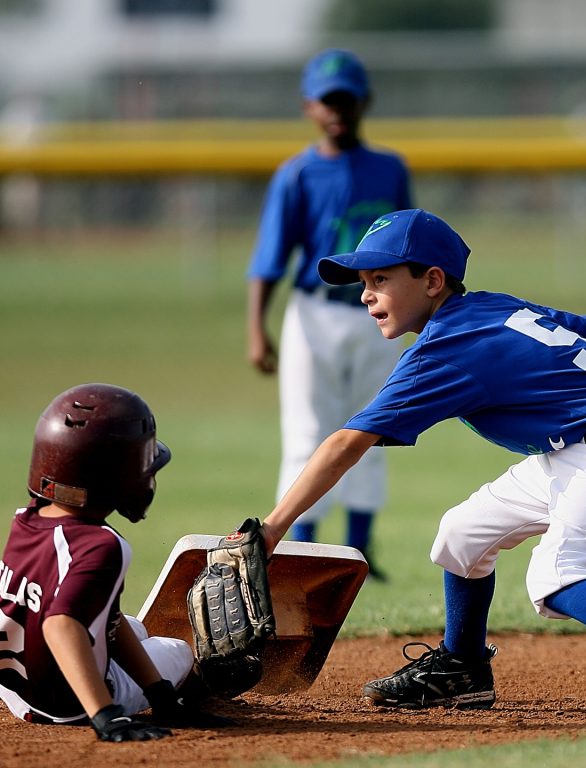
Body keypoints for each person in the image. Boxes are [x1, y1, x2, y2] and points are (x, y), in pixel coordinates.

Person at [256, 209, 586, 721]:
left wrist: (273, 527)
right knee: (461, 535)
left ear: (431, 281)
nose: (366, 295)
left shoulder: (444, 349)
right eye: (363, 282)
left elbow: (344, 444)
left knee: (555, 575)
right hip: (578, 446)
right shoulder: (492, 308)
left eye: (380, 278)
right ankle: (462, 667)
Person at [0, 383, 228, 741]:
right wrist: (107, 715)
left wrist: (159, 695)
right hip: (66, 703)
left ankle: (149, 691)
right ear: (115, 477)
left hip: (8, 682)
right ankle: (138, 696)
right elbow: (60, 624)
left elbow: (100, 619)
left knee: (132, 626)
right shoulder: (103, 546)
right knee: (178, 650)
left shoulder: (28, 517)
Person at [246, 48, 412, 580]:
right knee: (307, 431)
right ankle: (303, 550)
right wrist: (257, 328)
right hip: (314, 313)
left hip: (379, 314)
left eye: (345, 100)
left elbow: (409, 246)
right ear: (308, 107)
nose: (336, 110)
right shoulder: (297, 175)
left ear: (366, 102)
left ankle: (360, 553)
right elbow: (270, 257)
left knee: (375, 427)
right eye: (326, 101)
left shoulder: (389, 169)